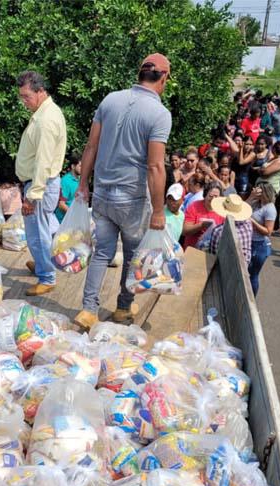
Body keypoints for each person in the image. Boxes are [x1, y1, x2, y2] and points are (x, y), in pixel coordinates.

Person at [73, 53, 171, 329]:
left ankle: (88, 311)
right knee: (132, 256)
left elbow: (91, 146)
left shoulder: (110, 99)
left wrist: (83, 186)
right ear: (163, 78)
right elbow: (155, 166)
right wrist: (159, 210)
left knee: (101, 253)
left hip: (102, 193)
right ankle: (122, 309)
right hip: (132, 200)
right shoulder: (159, 114)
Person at [13, 70, 67, 296]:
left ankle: (47, 277)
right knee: (40, 230)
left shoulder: (46, 120)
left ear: (40, 91)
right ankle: (43, 264)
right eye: (22, 97)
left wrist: (32, 196)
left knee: (38, 233)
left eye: (27, 96)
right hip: (41, 185)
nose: (24, 102)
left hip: (40, 187)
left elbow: (44, 162)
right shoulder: (45, 112)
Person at [246, 184, 277, 295]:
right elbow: (241, 209)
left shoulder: (270, 209)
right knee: (245, 272)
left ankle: (252, 300)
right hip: (249, 241)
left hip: (259, 246)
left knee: (253, 274)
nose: (255, 189)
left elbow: (268, 231)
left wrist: (252, 221)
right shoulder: (256, 202)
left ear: (264, 192)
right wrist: (250, 196)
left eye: (258, 189)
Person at [208, 193, 253, 266]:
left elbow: (212, 255)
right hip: (244, 267)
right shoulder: (248, 224)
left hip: (224, 269)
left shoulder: (218, 231)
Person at [182, 181, 224, 249]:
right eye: (210, 196)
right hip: (192, 250)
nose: (213, 199)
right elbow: (185, 231)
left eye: (216, 196)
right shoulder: (194, 206)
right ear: (205, 195)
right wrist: (201, 225)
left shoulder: (222, 211)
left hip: (211, 251)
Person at [55, 155, 81, 222]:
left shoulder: (80, 180)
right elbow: (61, 204)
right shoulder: (65, 181)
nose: (83, 168)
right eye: (80, 166)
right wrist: (75, 216)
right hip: (64, 222)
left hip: (74, 220)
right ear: (73, 166)